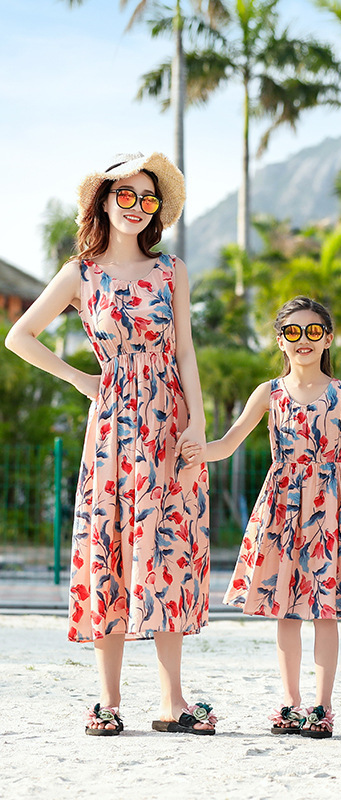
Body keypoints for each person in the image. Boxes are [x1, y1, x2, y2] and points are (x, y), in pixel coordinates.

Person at [5, 152, 216, 736]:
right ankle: (108, 701)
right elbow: (19, 336)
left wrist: (197, 422)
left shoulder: (171, 270)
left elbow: (185, 352)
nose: (137, 208)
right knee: (110, 547)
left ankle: (173, 702)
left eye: (148, 199)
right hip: (113, 428)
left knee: (169, 549)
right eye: (126, 196)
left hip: (169, 423)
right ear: (103, 201)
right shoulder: (81, 273)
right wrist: (79, 378)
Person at [203, 296, 341, 739]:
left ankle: (322, 708)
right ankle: (290, 704)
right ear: (280, 341)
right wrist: (189, 453)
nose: (303, 340)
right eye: (293, 332)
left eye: (313, 331)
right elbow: (227, 444)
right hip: (281, 507)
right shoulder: (268, 393)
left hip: (328, 507)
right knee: (285, 610)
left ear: (328, 338)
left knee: (324, 610)